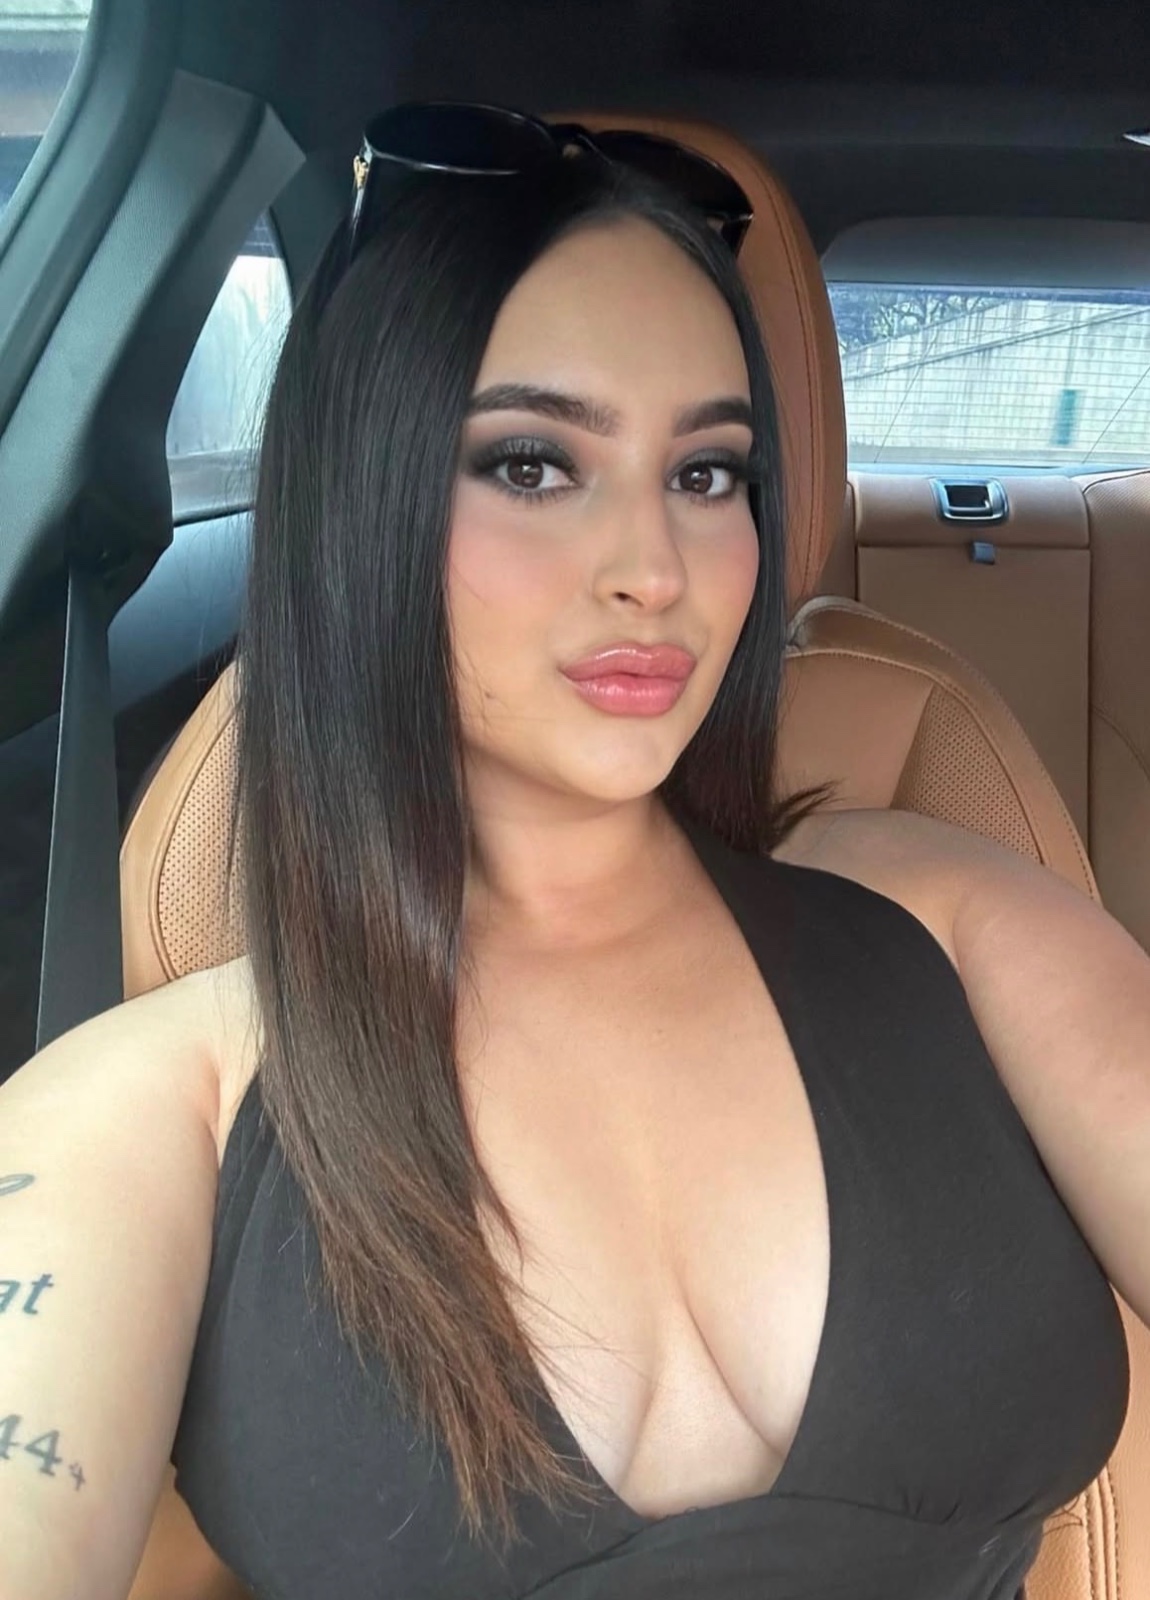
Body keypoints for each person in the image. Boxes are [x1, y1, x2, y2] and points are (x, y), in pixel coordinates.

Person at [1, 103, 1145, 1600]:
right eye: (533, 464)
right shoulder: (153, 1104)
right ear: (364, 502)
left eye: (706, 474)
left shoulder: (944, 907)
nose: (653, 571)